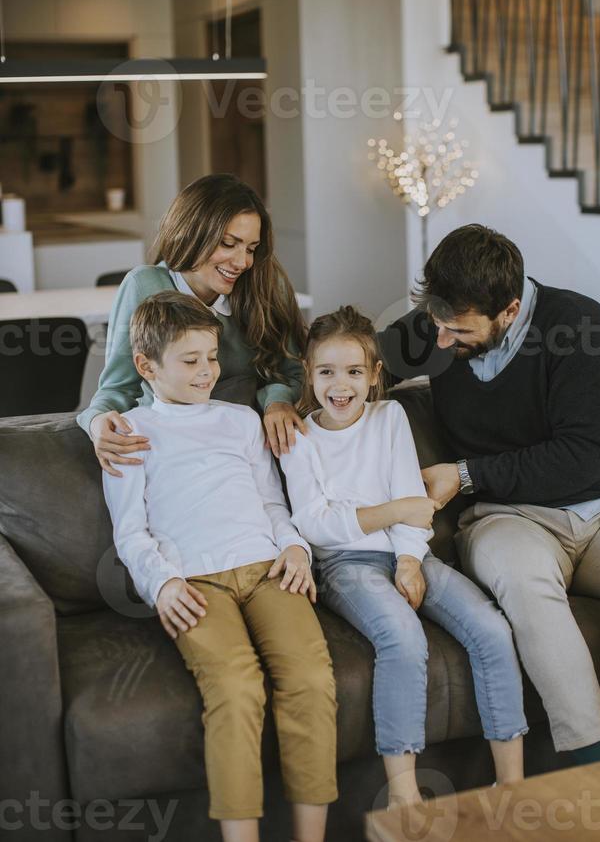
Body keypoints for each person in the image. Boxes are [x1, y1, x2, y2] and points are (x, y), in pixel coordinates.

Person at [397, 223, 600, 766]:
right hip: (505, 519)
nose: (440, 342)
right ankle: (596, 769)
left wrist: (465, 474)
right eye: (437, 326)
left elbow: (578, 458)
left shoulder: (579, 323)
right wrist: (280, 399)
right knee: (525, 583)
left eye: (458, 332)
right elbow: (343, 359)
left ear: (509, 311)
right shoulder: (437, 325)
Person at [102, 290, 338, 842]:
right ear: (146, 366)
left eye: (211, 357)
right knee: (235, 686)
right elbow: (130, 533)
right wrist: (160, 585)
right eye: (190, 361)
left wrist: (295, 546)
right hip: (195, 583)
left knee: (310, 677)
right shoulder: (129, 434)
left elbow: (273, 503)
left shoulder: (240, 421)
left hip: (268, 571)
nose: (207, 371)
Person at [280, 306, 527, 809]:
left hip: (410, 552)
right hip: (344, 565)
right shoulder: (300, 438)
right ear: (308, 373)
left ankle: (514, 785)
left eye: (353, 371)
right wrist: (394, 511)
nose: (340, 385)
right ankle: (405, 795)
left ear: (374, 375)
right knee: (403, 637)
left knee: (492, 629)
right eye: (326, 371)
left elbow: (416, 510)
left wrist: (411, 560)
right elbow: (316, 525)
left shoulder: (389, 417)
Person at [78, 173, 307, 474]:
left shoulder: (267, 283)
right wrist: (96, 421)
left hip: (248, 449)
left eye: (251, 248)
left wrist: (279, 400)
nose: (241, 262)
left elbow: (293, 369)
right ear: (193, 233)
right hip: (171, 449)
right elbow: (118, 387)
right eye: (228, 243)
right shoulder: (144, 285)